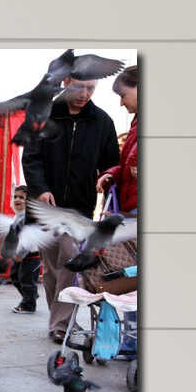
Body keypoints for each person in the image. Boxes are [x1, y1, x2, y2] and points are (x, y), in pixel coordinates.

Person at [22, 74, 121, 341]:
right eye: (80, 87)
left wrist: (106, 176)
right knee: (52, 268)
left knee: (69, 261)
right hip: (46, 208)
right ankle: (59, 317)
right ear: (66, 81)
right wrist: (40, 189)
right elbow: (30, 158)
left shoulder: (102, 122)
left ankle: (60, 325)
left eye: (91, 88)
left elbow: (112, 162)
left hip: (79, 208)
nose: (85, 94)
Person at [100, 63, 138, 218]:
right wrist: (111, 174)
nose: (121, 103)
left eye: (123, 95)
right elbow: (127, 166)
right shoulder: (135, 124)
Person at [1, 183, 43, 315]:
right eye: (15, 197)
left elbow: (30, 239)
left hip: (31, 255)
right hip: (19, 255)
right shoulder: (17, 215)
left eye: (21, 197)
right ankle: (30, 295)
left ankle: (28, 304)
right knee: (15, 276)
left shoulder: (29, 217)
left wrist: (21, 253)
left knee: (27, 280)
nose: (17, 199)